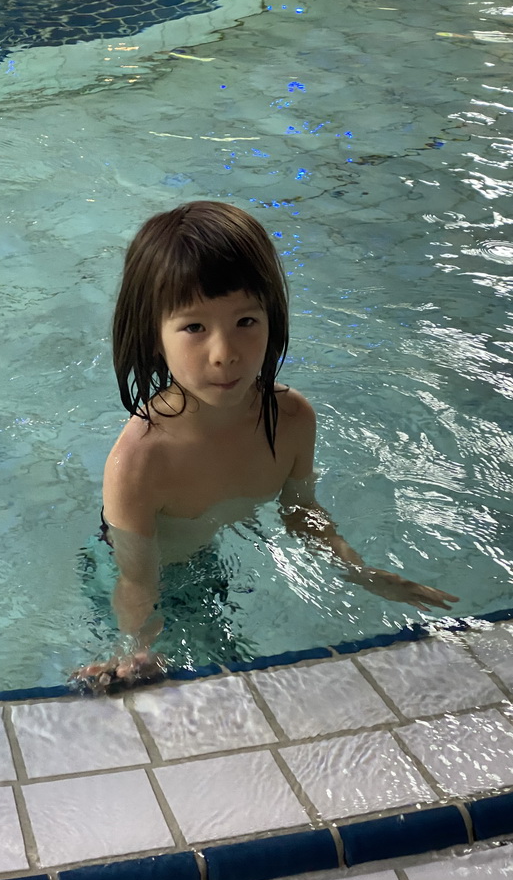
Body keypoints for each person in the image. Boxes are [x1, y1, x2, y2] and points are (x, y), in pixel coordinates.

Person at [72, 201, 458, 689]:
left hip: (202, 560)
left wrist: (361, 572)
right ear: (154, 337)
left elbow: (300, 513)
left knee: (235, 673)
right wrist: (133, 650)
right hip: (122, 574)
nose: (225, 353)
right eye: (194, 327)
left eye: (246, 322)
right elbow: (136, 582)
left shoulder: (292, 419)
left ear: (271, 318)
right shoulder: (141, 461)